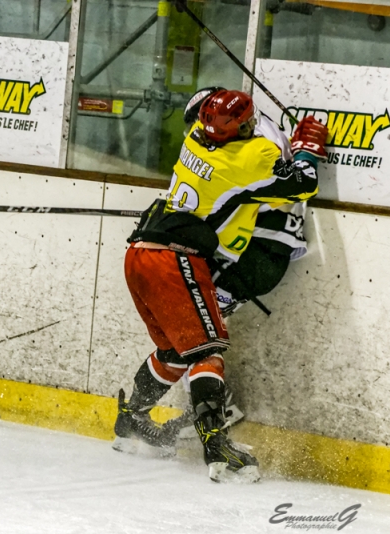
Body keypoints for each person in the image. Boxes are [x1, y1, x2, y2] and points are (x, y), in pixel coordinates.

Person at [112, 88, 327, 483]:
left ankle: (131, 420)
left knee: (177, 348)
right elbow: (304, 184)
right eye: (246, 124)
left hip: (141, 252)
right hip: (175, 259)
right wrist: (307, 149)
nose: (250, 126)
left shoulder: (195, 136)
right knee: (208, 350)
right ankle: (218, 449)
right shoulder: (250, 157)